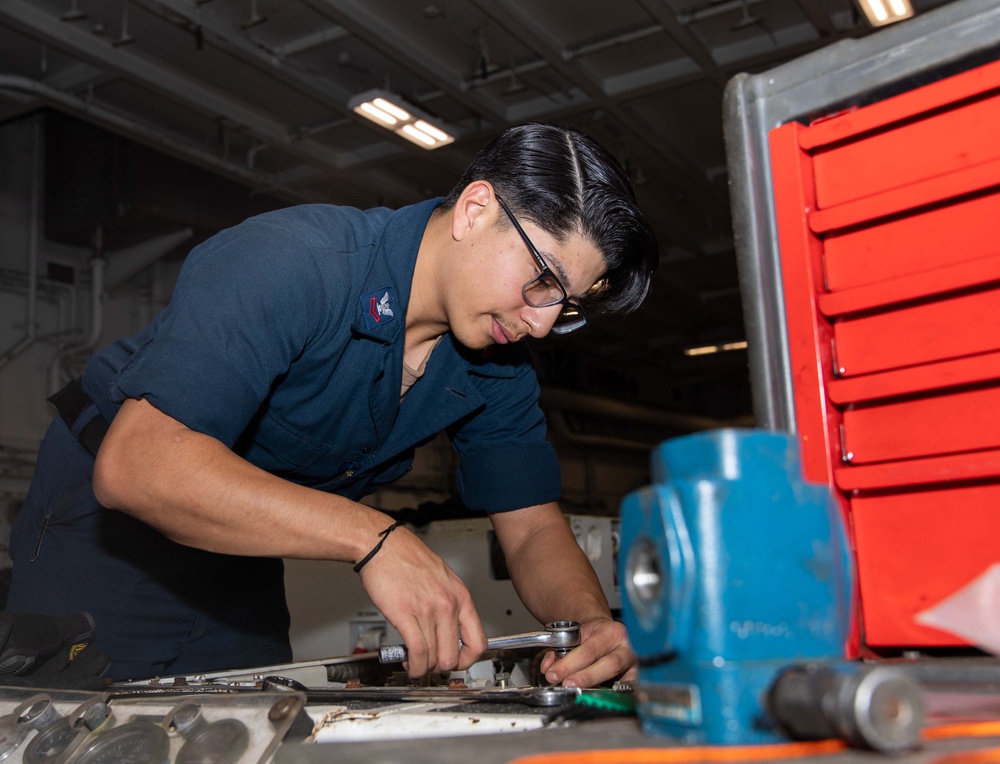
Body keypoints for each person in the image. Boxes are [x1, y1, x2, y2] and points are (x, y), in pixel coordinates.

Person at [7, 122, 658, 685]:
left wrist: (592, 626)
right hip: (105, 527)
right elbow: (140, 465)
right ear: (475, 209)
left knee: (254, 725)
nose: (541, 323)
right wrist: (373, 538)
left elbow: (534, 526)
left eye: (563, 305)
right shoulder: (296, 262)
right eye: (542, 280)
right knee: (88, 732)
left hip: (240, 535)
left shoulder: (499, 362)